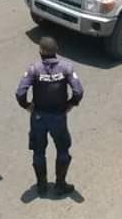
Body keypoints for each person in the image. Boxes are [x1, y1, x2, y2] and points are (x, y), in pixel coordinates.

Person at [15, 36, 84, 196]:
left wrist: (27, 106)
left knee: (38, 152)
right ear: (56, 51)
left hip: (38, 117)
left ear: (40, 51)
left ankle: (41, 186)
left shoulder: (34, 69)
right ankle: (60, 185)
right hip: (59, 117)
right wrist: (70, 104)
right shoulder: (66, 68)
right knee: (63, 150)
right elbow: (78, 91)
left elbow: (20, 93)